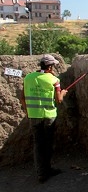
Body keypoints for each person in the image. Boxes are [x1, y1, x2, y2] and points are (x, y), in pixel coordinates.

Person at [20, 54, 67, 183]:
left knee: (38, 144)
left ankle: (41, 173)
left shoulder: (28, 78)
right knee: (48, 143)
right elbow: (59, 100)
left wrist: (27, 111)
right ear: (50, 67)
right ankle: (48, 169)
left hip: (34, 115)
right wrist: (62, 92)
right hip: (48, 115)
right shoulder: (54, 80)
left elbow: (22, 98)